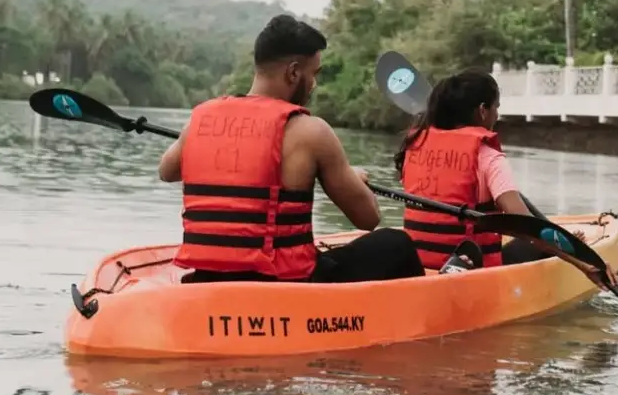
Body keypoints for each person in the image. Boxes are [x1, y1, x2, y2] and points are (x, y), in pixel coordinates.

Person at [158, 15, 424, 283]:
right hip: (285, 286)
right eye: (314, 74)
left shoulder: (200, 120)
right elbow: (368, 218)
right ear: (294, 72)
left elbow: (166, 171)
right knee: (395, 243)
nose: (314, 84)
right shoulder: (311, 131)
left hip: (208, 280)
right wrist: (352, 179)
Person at [394, 70, 550, 272]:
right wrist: (563, 247)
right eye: (496, 107)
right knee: (541, 244)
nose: (497, 115)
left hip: (418, 265)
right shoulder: (488, 157)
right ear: (483, 110)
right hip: (470, 270)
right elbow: (525, 225)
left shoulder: (414, 146)